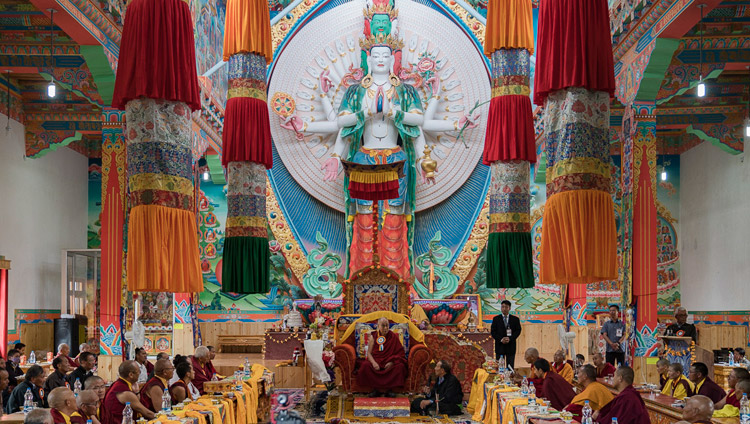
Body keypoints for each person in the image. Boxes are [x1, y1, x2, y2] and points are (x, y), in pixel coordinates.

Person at [356, 317, 407, 397]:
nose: (386, 328)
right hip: (377, 362)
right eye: (383, 326)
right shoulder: (373, 336)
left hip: (389, 363)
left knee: (400, 367)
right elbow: (369, 353)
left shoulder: (393, 336)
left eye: (387, 325)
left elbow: (400, 354)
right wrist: (374, 363)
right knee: (365, 366)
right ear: (378, 326)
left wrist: (392, 362)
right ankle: (375, 389)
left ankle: (389, 390)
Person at [490, 300, 522, 367]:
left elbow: (518, 330)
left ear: (509, 308)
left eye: (506, 307)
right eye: (502, 307)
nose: (504, 309)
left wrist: (510, 338)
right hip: (500, 346)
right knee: (499, 366)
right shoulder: (496, 319)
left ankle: (510, 377)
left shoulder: (515, 319)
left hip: (511, 346)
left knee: (510, 366)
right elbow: (493, 332)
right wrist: (501, 339)